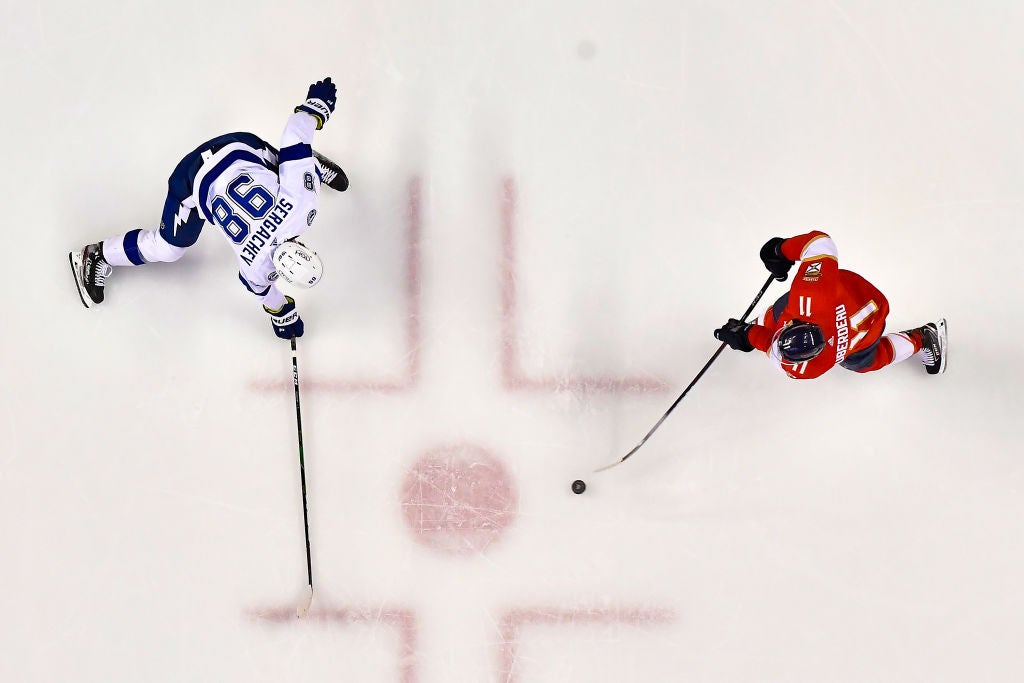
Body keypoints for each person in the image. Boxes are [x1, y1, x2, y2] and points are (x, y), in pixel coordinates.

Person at [69, 77, 348, 340]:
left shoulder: (303, 207)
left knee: (291, 164)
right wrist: (281, 314)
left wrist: (315, 109)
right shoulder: (257, 267)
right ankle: (96, 254)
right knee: (166, 248)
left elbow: (295, 134)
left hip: (236, 147)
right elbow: (260, 290)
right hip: (190, 179)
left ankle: (303, 163)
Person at [714, 231, 947, 379]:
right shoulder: (813, 294)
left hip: (870, 322)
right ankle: (921, 338)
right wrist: (780, 250)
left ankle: (922, 338)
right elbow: (820, 243)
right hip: (859, 295)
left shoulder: (802, 368)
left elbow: (770, 345)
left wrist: (748, 334)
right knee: (862, 361)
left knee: (862, 362)